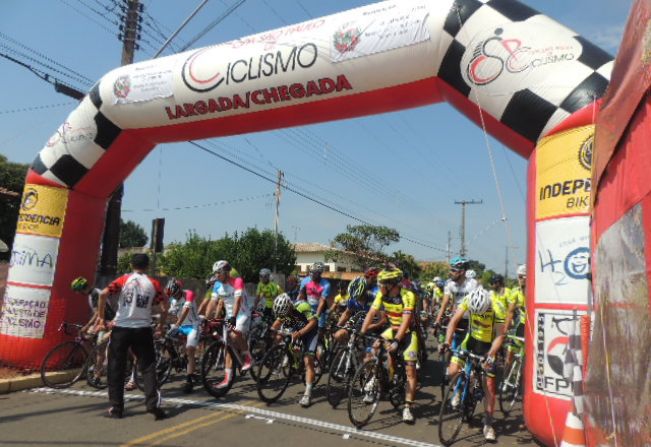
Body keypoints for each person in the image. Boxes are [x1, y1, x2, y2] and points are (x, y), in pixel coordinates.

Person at [96, 253, 168, 420]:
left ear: (131, 264)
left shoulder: (124, 279)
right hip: (143, 329)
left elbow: (103, 294)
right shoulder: (154, 284)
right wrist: (162, 326)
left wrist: (100, 318)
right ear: (148, 266)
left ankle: (116, 408)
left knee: (116, 367)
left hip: (121, 328)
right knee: (148, 367)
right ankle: (151, 403)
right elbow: (164, 307)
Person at [439, 287, 505, 442]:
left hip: (488, 346)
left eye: (482, 312)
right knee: (452, 370)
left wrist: (490, 355)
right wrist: (447, 342)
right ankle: (461, 388)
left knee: (488, 386)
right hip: (471, 341)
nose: (480, 316)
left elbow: (500, 336)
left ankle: (488, 424)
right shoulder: (468, 299)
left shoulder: (497, 306)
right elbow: (454, 321)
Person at [361, 267, 419, 424]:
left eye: (382, 284)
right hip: (392, 330)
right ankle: (377, 377)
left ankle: (407, 407)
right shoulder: (382, 294)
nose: (379, 286)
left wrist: (397, 341)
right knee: (373, 349)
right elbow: (370, 313)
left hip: (407, 334)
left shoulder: (408, 295)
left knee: (410, 372)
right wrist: (362, 331)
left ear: (392, 284)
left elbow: (406, 321)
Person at [205, 260, 253, 387]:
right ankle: (227, 379)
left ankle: (247, 356)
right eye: (215, 273)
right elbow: (212, 303)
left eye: (218, 273)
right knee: (227, 345)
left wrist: (233, 317)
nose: (216, 275)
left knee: (234, 335)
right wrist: (206, 318)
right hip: (230, 315)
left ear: (226, 272)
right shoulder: (217, 285)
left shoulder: (237, 282)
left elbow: (237, 301)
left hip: (242, 313)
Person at [271, 293, 318, 407]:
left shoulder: (303, 306)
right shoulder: (284, 311)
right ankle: (294, 362)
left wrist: (300, 333)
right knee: (281, 338)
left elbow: (313, 322)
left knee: (308, 361)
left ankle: (307, 394)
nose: (283, 315)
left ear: (289, 307)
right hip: (297, 329)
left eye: (284, 313)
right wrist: (271, 330)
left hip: (311, 331)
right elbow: (277, 324)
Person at [71, 276, 115, 387]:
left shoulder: (95, 294)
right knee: (84, 338)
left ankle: (97, 375)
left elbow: (97, 313)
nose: (78, 293)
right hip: (102, 322)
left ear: (81, 289)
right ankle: (97, 364)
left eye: (77, 291)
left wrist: (87, 326)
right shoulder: (92, 293)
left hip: (107, 323)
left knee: (100, 349)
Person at [165, 278, 201, 394]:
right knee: (165, 337)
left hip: (193, 325)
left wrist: (177, 324)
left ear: (180, 290)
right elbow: (170, 313)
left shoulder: (188, 294)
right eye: (172, 296)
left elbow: (185, 309)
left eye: (175, 295)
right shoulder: (172, 298)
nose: (174, 298)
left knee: (190, 349)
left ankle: (189, 379)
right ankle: (175, 359)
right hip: (180, 325)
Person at [434, 257, 477, 351]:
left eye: (453, 270)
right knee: (452, 347)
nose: (450, 272)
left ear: (461, 272)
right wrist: (437, 320)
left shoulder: (473, 284)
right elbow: (444, 304)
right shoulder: (449, 284)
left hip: (471, 319)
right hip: (457, 317)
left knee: (468, 349)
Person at [333, 267, 381, 343]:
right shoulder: (353, 297)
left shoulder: (375, 295)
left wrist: (366, 328)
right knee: (338, 335)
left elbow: (381, 320)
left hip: (371, 325)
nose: (367, 279)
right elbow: (347, 313)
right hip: (357, 322)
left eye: (370, 278)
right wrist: (338, 326)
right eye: (366, 277)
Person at [503, 264, 527, 373]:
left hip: (533, 326)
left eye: (522, 277)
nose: (519, 279)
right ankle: (506, 377)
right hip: (521, 325)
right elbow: (510, 312)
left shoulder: (535, 291)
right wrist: (505, 330)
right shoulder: (516, 291)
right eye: (519, 277)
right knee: (510, 353)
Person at [299, 262, 331, 335]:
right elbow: (300, 296)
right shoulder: (305, 281)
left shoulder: (326, 284)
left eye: (315, 273)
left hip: (319, 312)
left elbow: (322, 301)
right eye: (311, 272)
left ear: (320, 273)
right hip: (307, 310)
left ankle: (320, 344)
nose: (312, 274)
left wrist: (317, 316)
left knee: (319, 333)